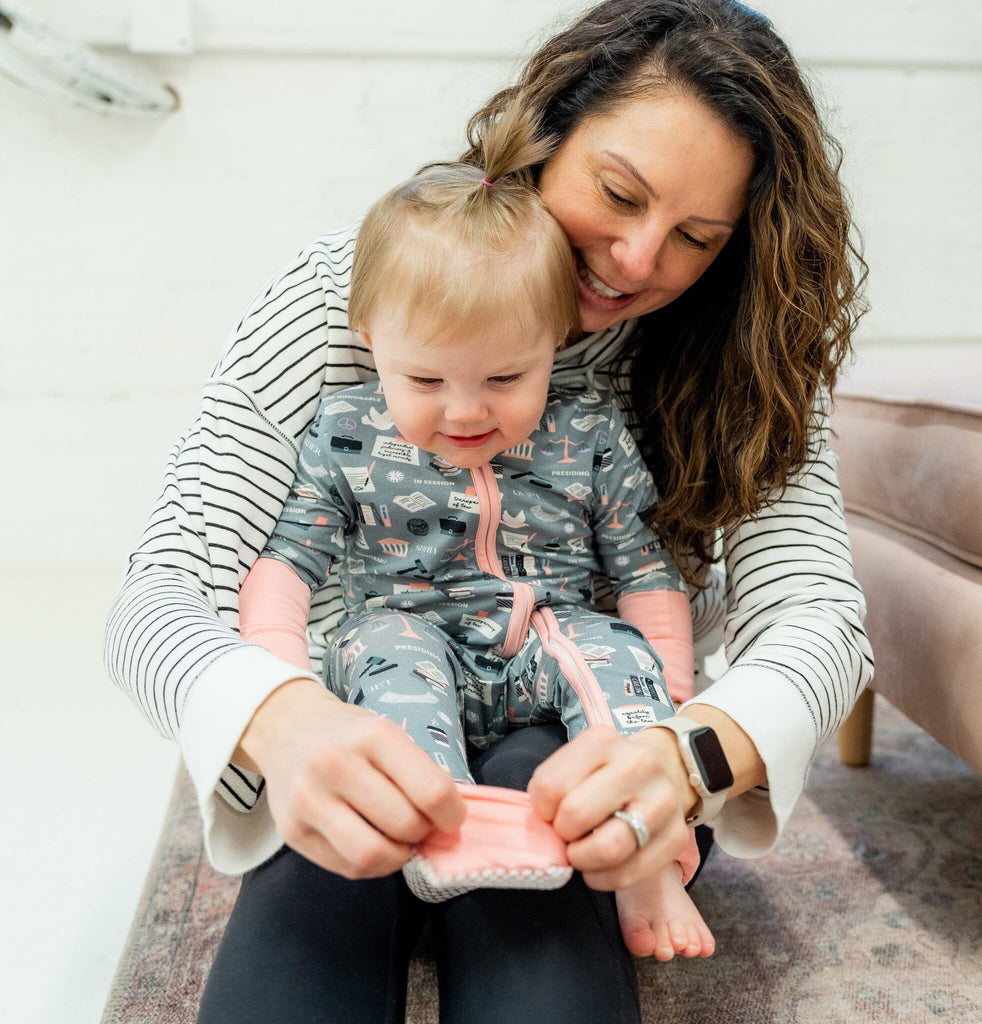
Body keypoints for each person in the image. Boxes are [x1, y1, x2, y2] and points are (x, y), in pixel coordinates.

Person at [103, 1, 873, 1021]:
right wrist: (288, 725)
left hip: (596, 740)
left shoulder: (743, 357)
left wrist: (678, 758)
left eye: (693, 236)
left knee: (535, 822)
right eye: (617, 192)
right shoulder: (352, 291)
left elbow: (822, 621)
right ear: (540, 135)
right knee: (318, 893)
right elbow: (156, 595)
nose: (638, 259)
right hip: (373, 716)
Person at [237, 103, 713, 958]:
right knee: (389, 653)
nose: (465, 411)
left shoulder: (586, 433)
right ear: (369, 340)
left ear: (554, 344)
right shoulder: (347, 432)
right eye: (424, 377)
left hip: (547, 636)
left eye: (505, 376)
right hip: (412, 637)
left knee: (611, 654)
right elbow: (287, 564)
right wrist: (288, 696)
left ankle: (646, 853)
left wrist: (672, 713)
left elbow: (644, 571)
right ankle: (443, 821)